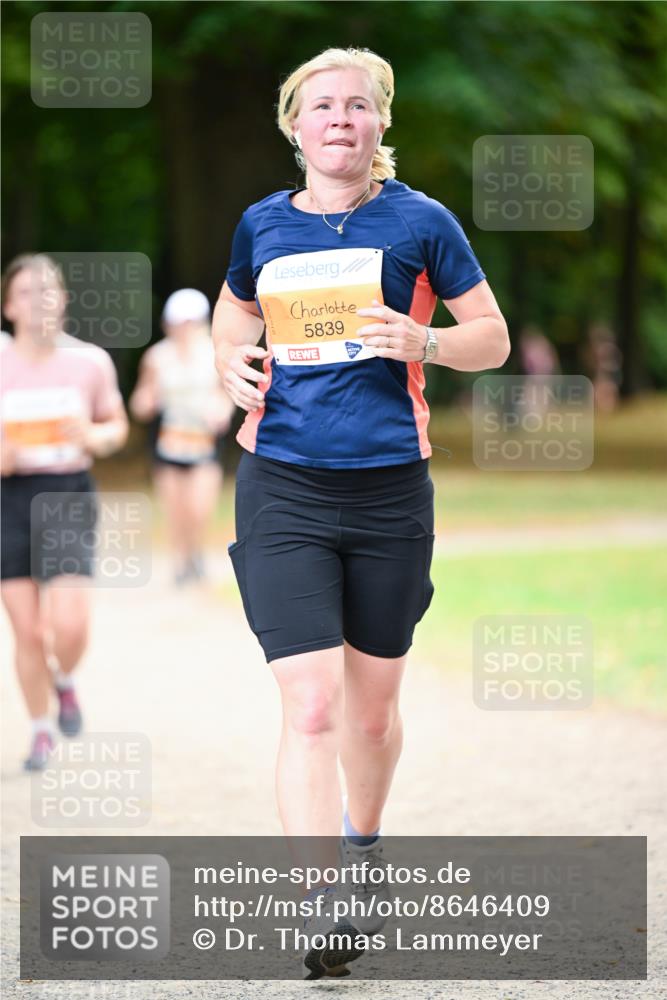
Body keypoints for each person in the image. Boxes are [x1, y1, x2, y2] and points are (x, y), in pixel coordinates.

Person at [212, 47, 509, 978]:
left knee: (370, 717)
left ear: (380, 125)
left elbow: (491, 339)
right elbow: (234, 317)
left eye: (357, 107)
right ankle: (319, 901)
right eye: (321, 107)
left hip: (387, 489)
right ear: (293, 126)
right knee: (308, 706)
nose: (339, 120)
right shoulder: (261, 223)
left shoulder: (421, 222)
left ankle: (366, 846)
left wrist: (425, 338)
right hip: (283, 485)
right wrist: (228, 363)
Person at [0, 253, 128, 770]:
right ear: (9, 305)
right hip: (8, 498)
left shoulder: (89, 361)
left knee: (69, 626)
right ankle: (39, 731)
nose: (40, 300)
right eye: (28, 291)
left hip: (67, 492)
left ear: (65, 301)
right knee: (28, 631)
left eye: (49, 289)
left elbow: (116, 425)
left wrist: (93, 435)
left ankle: (65, 678)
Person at [129, 288, 235, 585]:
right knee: (175, 510)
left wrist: (222, 411)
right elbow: (141, 399)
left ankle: (196, 553)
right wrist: (145, 402)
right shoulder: (156, 357)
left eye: (189, 322)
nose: (183, 329)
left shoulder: (215, 354)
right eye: (177, 323)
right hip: (169, 443)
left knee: (200, 508)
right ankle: (180, 562)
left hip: (204, 442)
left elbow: (226, 395)